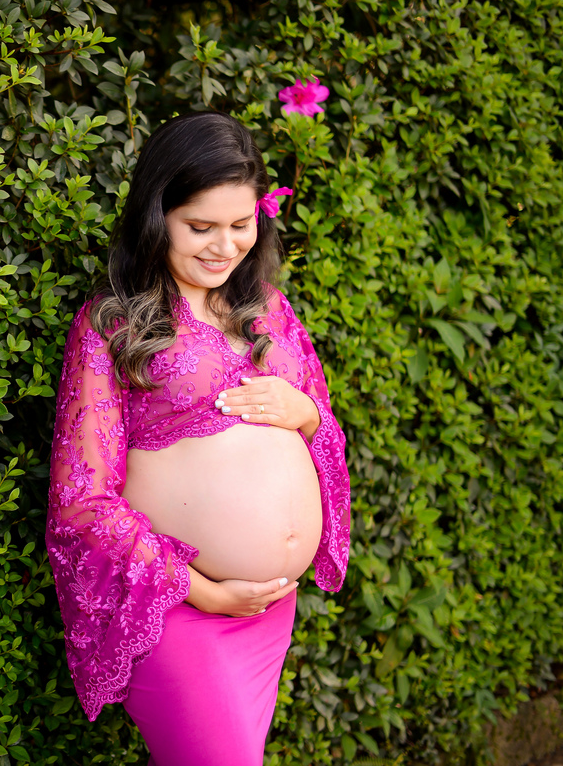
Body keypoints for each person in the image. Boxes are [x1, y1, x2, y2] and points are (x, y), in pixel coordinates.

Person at [46, 111, 351, 765]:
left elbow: (323, 429)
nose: (222, 246)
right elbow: (81, 499)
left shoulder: (269, 308)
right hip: (180, 606)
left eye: (240, 226)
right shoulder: (113, 326)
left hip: (266, 613)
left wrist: (303, 412)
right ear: (158, 217)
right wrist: (204, 589)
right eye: (200, 227)